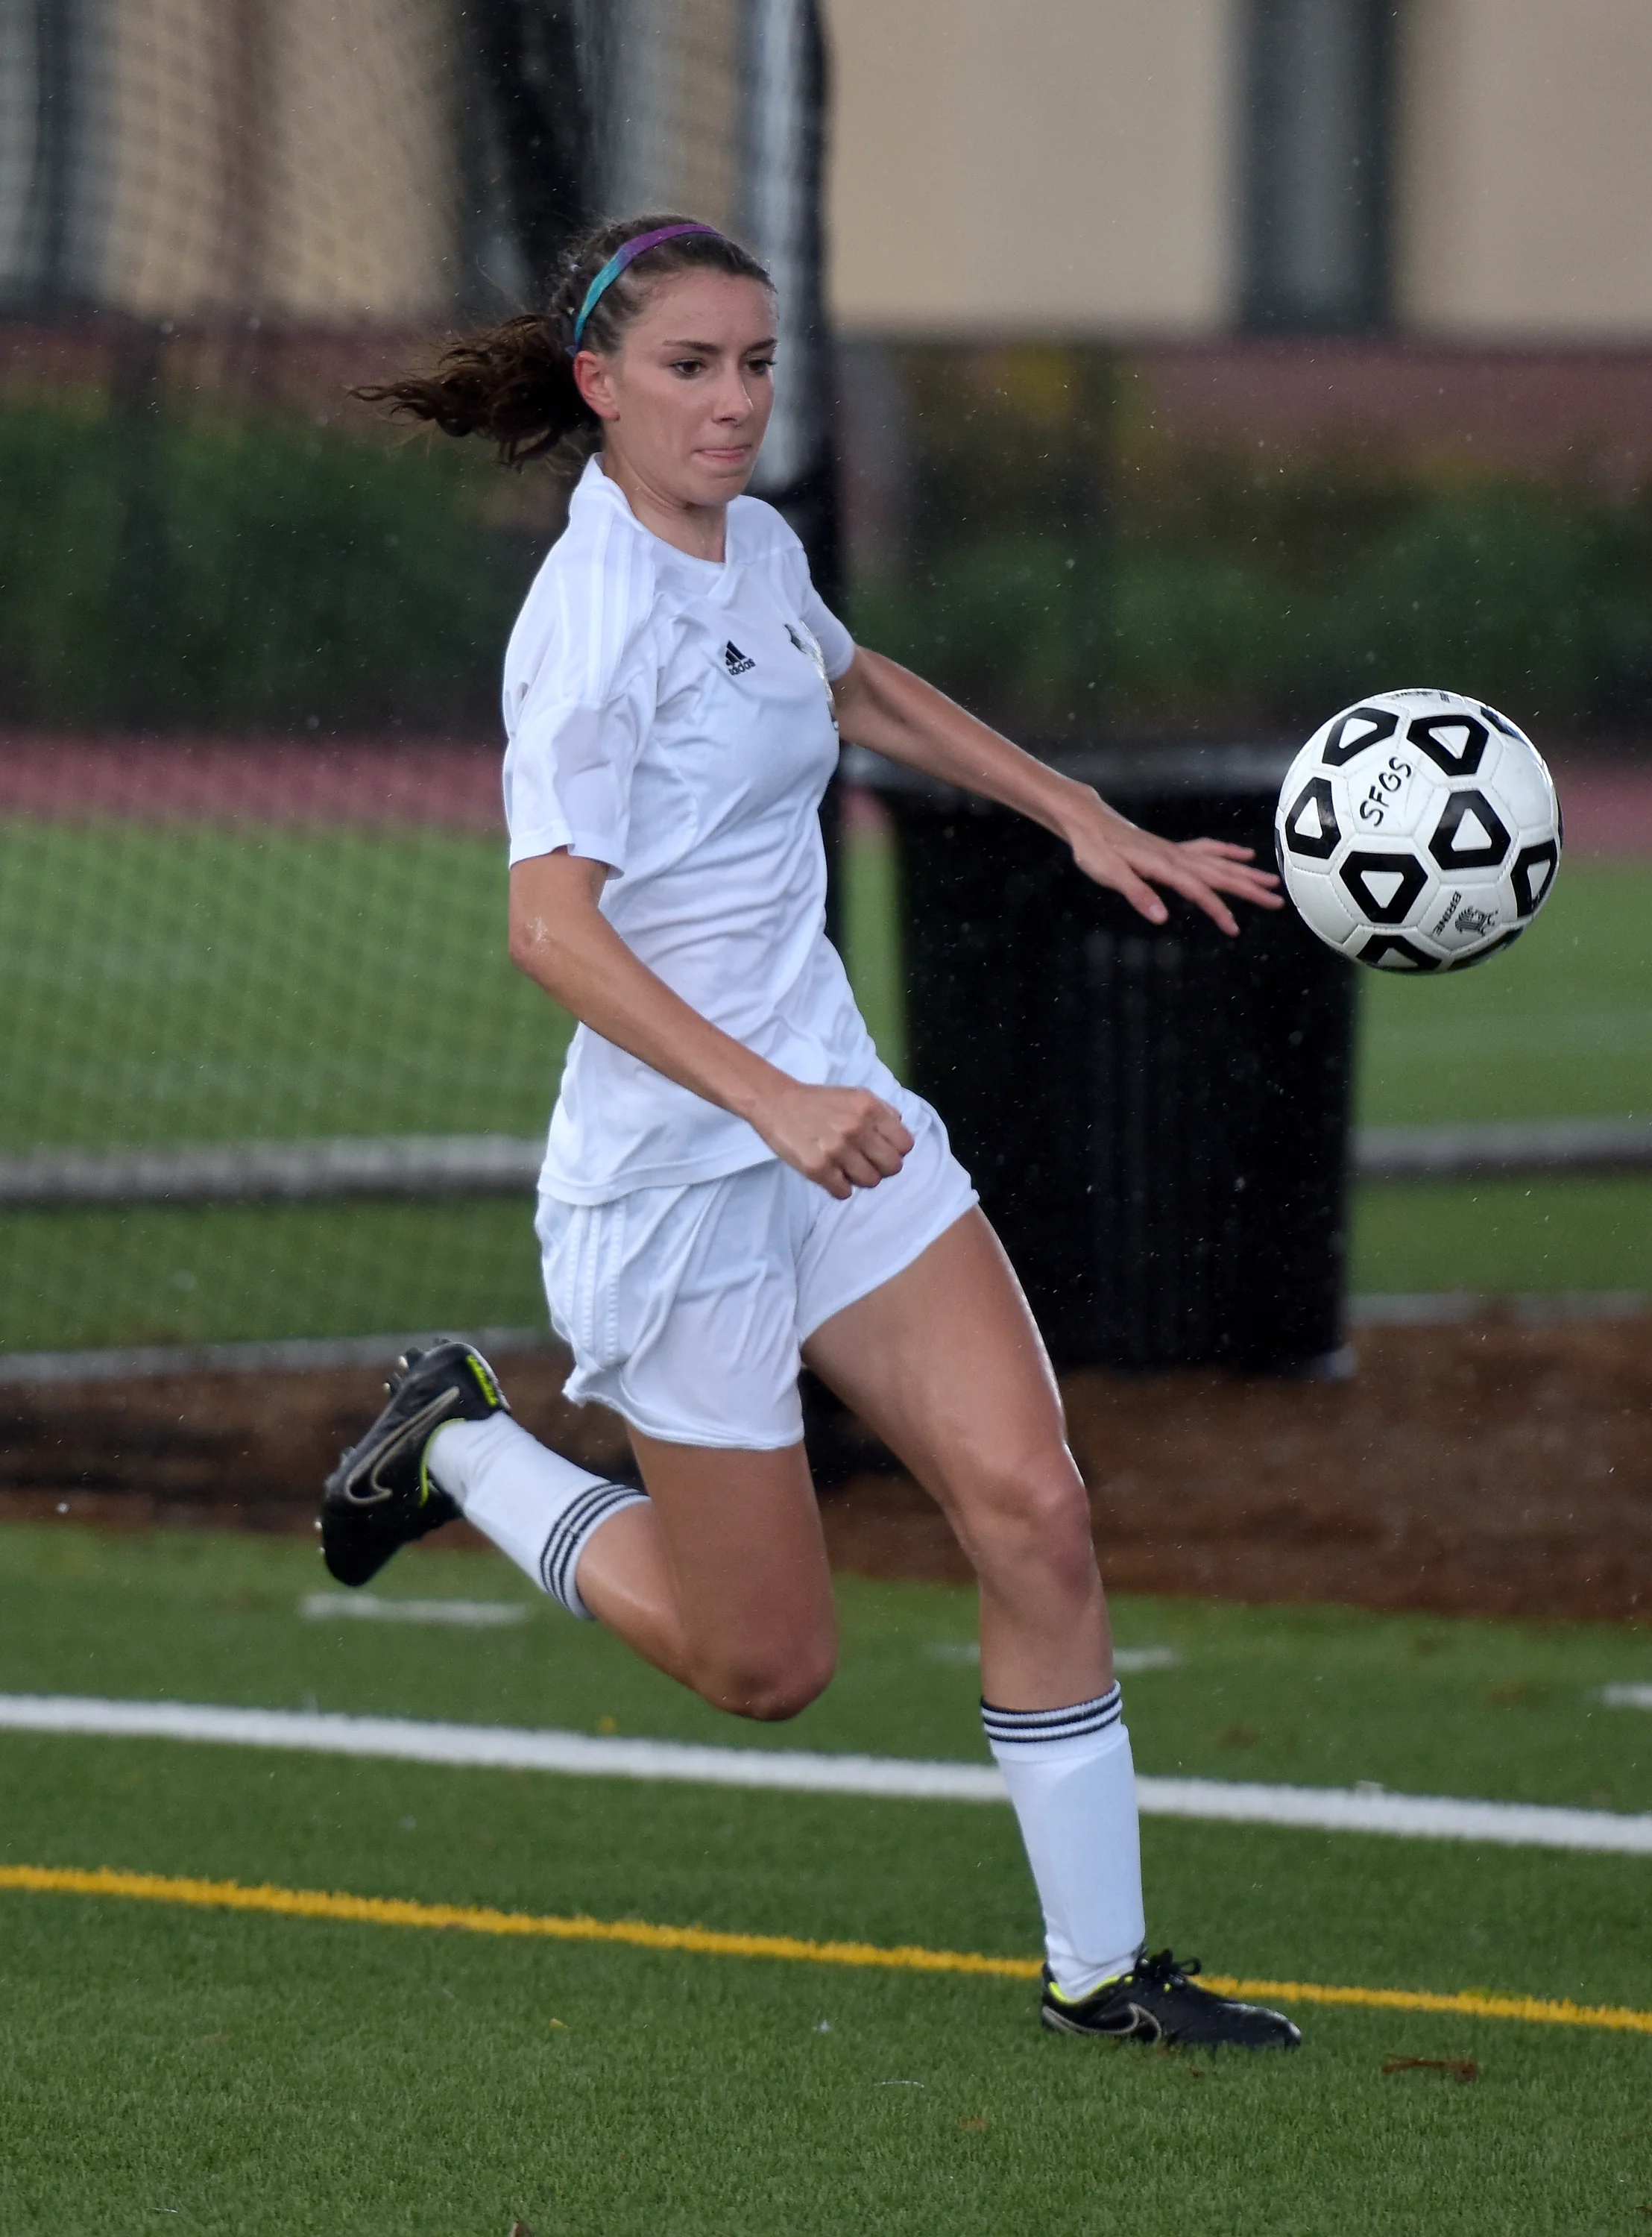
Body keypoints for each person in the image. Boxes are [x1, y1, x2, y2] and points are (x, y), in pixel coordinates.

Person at [331, 213, 1298, 2051]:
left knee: (1035, 1510)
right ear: (598, 387)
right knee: (764, 1666)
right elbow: (548, 930)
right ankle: (461, 1444)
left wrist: (1073, 811)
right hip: (682, 1187)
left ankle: (1101, 1972)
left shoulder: (754, 547)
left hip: (842, 1133)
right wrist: (768, 1100)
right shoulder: (591, 622)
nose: (736, 403)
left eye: (759, 364)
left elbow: (845, 683)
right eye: (691, 369)